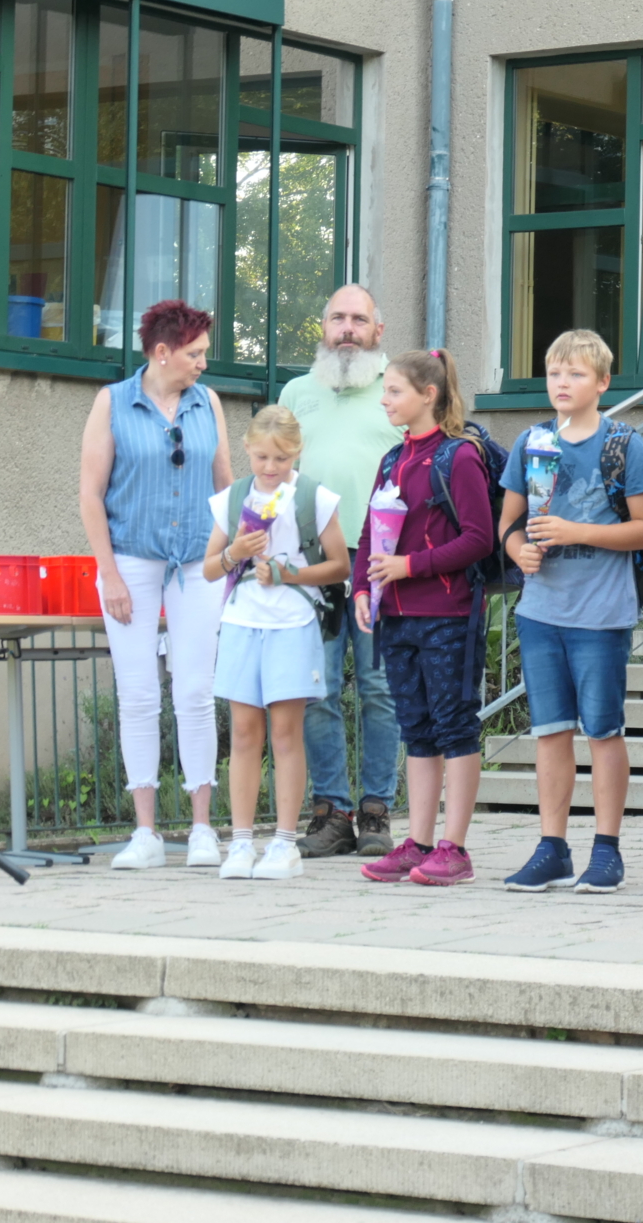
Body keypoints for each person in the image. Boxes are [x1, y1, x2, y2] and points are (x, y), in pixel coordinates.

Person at [497, 329, 643, 894]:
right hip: (541, 609)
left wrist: (575, 531)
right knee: (549, 732)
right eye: (554, 373)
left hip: (600, 612)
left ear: (602, 382)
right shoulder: (531, 441)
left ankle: (607, 849)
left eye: (574, 373)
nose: (561, 383)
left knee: (602, 731)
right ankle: (552, 847)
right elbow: (508, 524)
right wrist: (517, 548)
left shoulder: (622, 443)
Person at [77, 300, 233, 871]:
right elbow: (91, 493)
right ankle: (144, 831)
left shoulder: (206, 402)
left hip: (198, 561)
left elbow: (225, 484)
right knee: (138, 693)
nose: (201, 365)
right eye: (194, 354)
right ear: (161, 352)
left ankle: (200, 828)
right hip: (132, 562)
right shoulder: (112, 402)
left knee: (195, 691)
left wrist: (233, 553)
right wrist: (108, 573)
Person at [354, 349, 495, 886]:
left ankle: (454, 846)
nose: (385, 400)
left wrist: (409, 565)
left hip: (448, 614)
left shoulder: (458, 456)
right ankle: (417, 841)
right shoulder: (392, 460)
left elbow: (478, 540)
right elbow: (371, 532)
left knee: (453, 724)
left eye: (394, 391)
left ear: (428, 395)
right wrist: (365, 588)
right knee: (416, 729)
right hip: (396, 615)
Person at [277, 286, 406, 860]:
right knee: (317, 690)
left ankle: (377, 807)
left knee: (380, 689)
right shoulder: (297, 393)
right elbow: (278, 476)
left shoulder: (399, 391)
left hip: (381, 565)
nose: (347, 328)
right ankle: (331, 810)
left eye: (359, 319)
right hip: (315, 566)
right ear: (322, 327)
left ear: (379, 330)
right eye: (338, 318)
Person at [202, 407, 351, 881]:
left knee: (286, 735)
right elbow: (209, 568)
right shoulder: (231, 499)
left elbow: (341, 566)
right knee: (244, 734)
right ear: (247, 450)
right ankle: (241, 841)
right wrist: (235, 553)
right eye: (263, 457)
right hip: (242, 621)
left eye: (281, 458)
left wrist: (291, 574)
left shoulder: (314, 497)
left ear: (297, 453)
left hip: (292, 622)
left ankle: (284, 843)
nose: (270, 467)